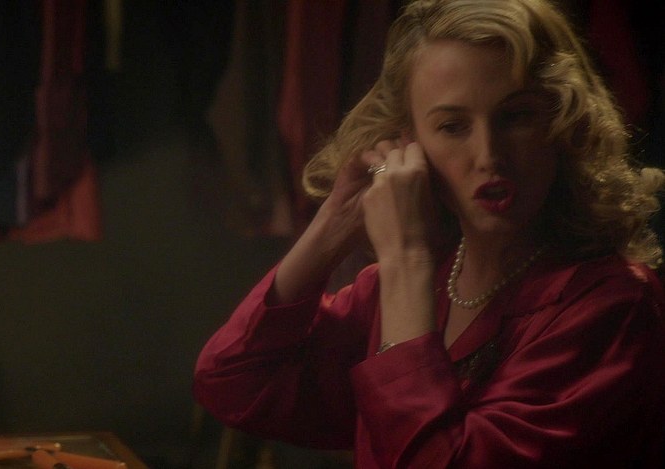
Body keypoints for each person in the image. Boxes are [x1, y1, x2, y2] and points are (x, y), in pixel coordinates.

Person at [192, 0, 665, 467]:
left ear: (563, 123)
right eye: (453, 126)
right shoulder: (413, 285)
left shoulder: (613, 306)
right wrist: (333, 223)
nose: (489, 155)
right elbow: (232, 382)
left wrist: (406, 260)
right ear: (410, 144)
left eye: (516, 116)